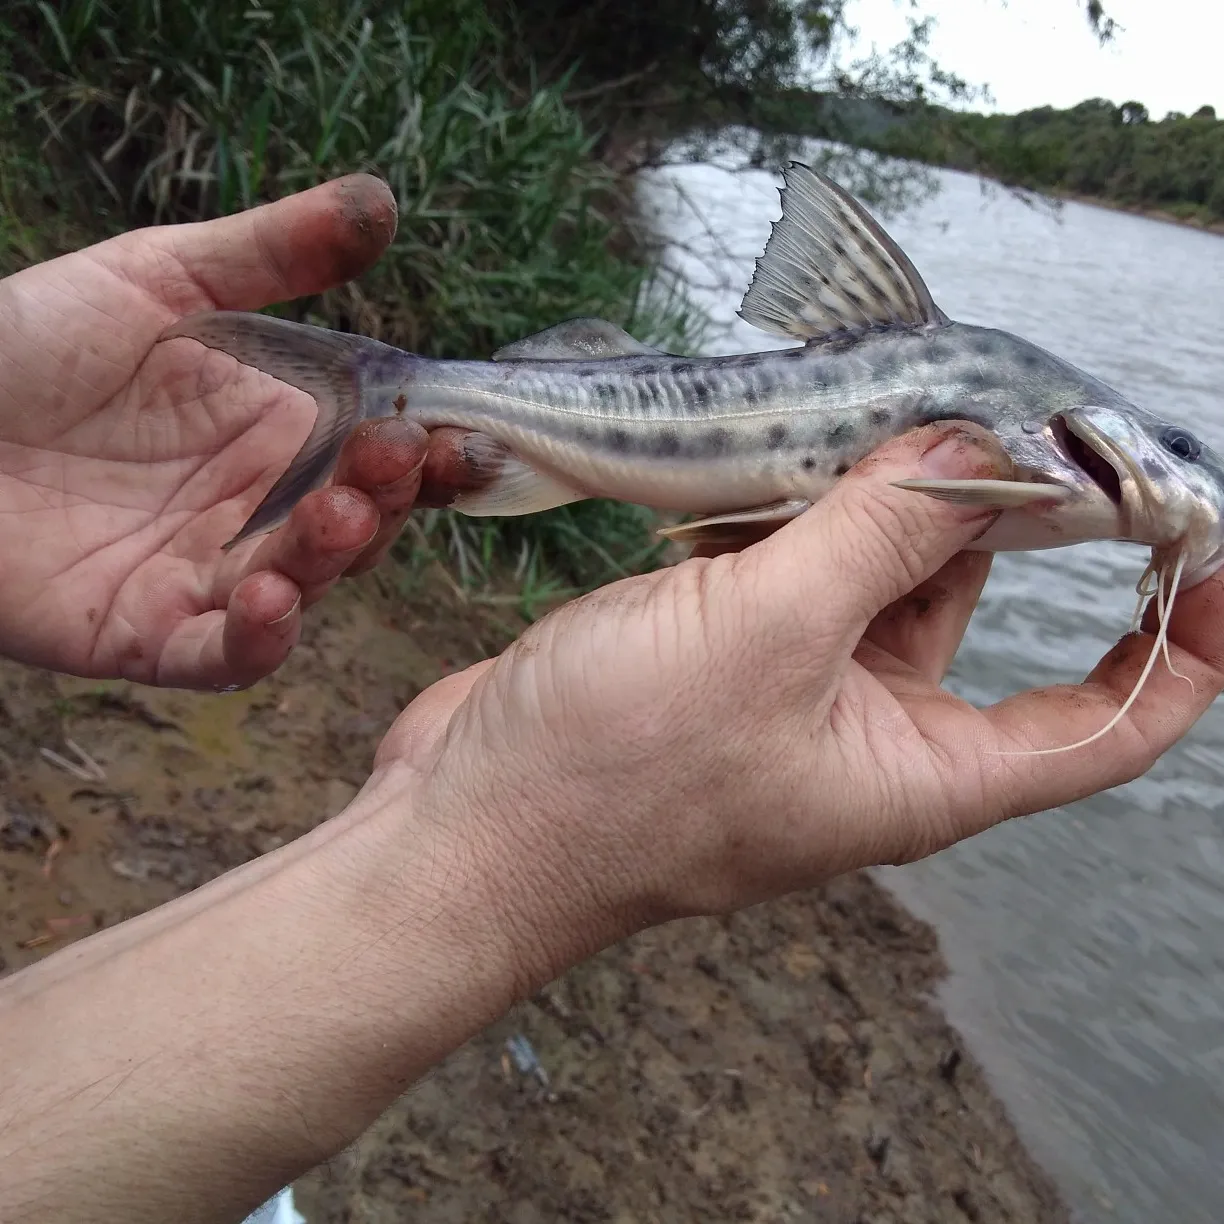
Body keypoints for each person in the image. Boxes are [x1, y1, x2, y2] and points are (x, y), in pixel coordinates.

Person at [0, 173, 1220, 1224]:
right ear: (1105, 433)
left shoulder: (1053, 449)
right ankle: (403, 391)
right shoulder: (1042, 438)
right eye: (1179, 446)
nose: (1185, 477)